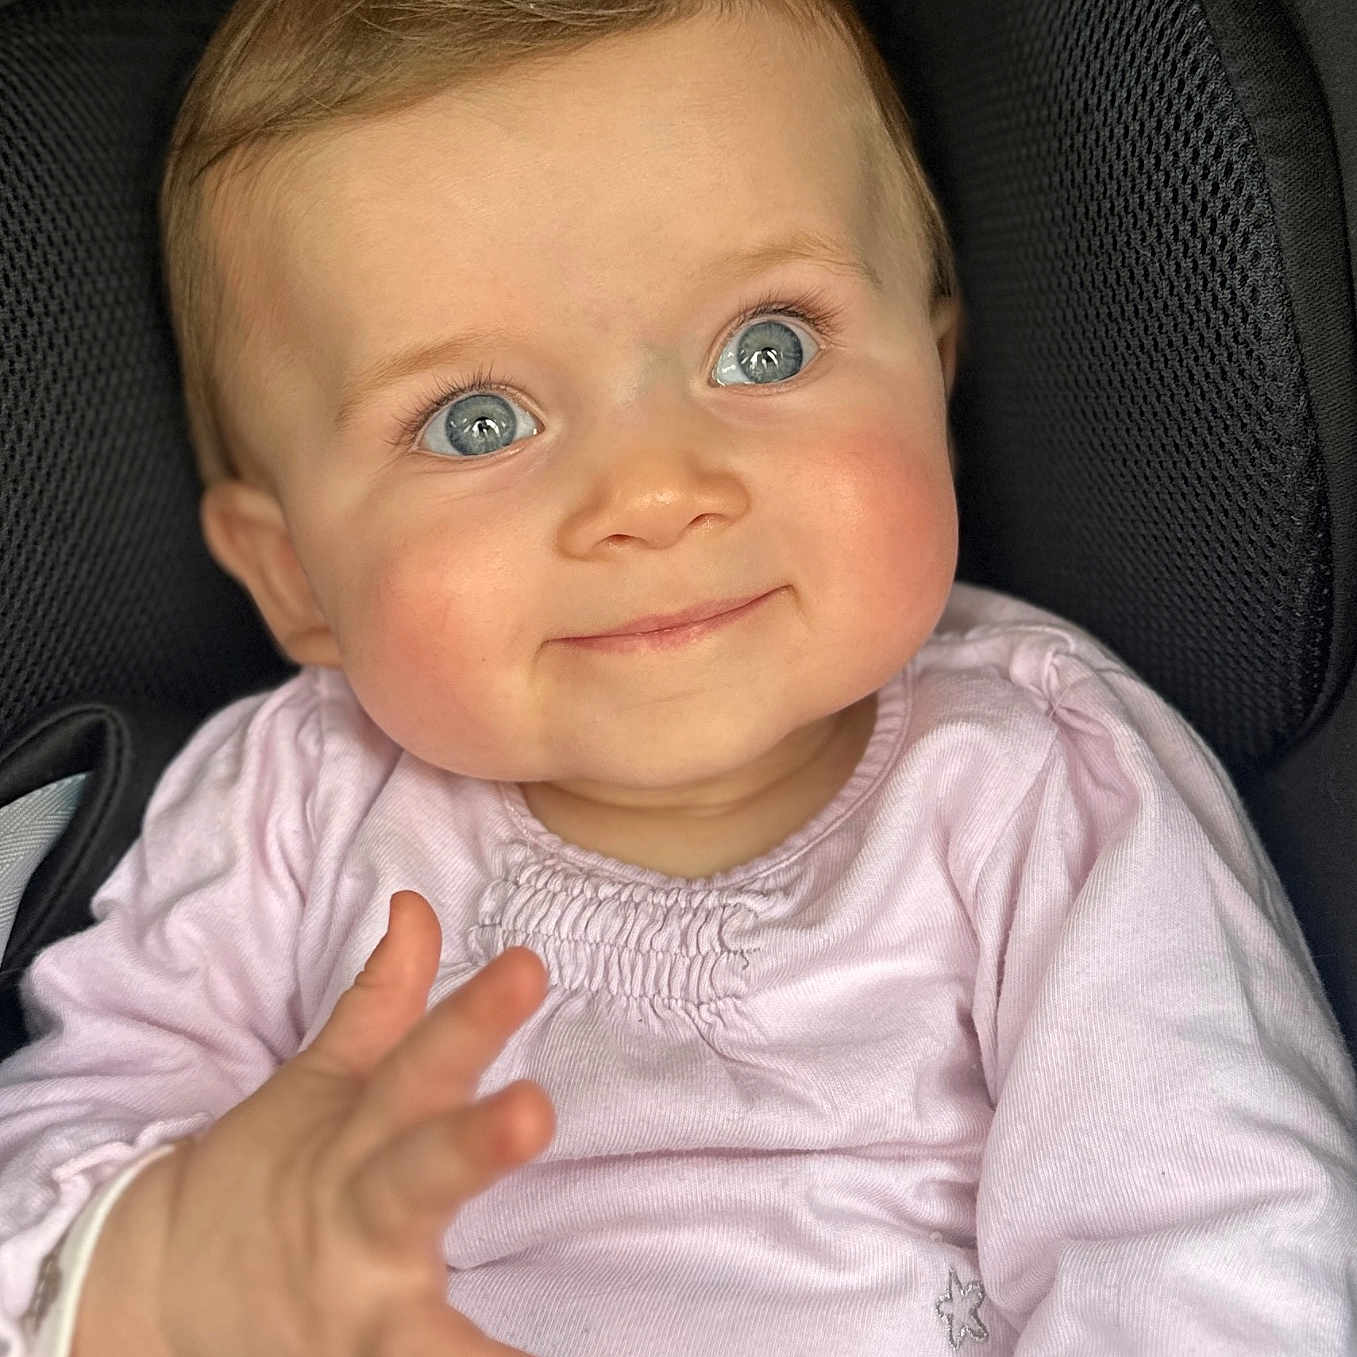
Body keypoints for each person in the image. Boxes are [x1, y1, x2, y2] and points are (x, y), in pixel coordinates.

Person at [1, 0, 1355, 1351]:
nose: (652, 492)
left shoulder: (1040, 781)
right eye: (478, 421)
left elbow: (1212, 1247)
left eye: (763, 346)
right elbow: (66, 1128)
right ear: (295, 573)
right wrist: (139, 1264)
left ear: (929, 380)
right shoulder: (288, 809)